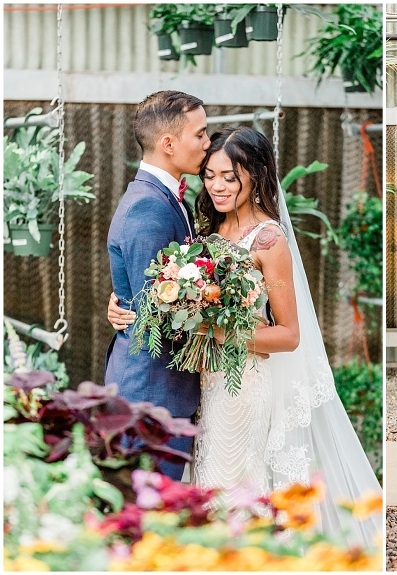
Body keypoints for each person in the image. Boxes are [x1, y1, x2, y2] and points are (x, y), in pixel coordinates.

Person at [109, 126, 381, 547]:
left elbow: (288, 335)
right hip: (205, 384)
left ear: (255, 176)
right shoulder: (207, 229)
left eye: (230, 177)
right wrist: (124, 302)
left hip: (243, 388)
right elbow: (169, 285)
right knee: (207, 490)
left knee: (232, 493)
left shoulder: (269, 239)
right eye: (211, 175)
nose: (217, 186)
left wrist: (213, 329)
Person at [105, 90, 210, 481]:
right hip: (152, 393)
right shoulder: (149, 206)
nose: (206, 143)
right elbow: (156, 308)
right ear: (168, 144)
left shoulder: (164, 197)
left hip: (160, 390)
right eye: (199, 134)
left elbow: (139, 289)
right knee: (145, 517)